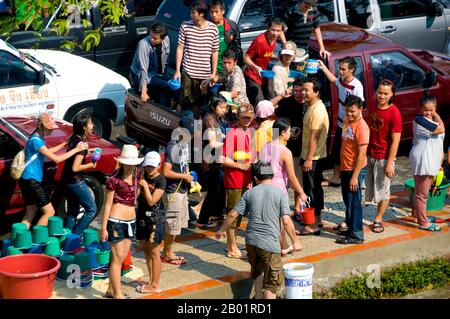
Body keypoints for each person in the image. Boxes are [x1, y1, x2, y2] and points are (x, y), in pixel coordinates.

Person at [215, 161, 301, 299]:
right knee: (271, 283)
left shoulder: (249, 193)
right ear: (271, 176)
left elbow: (232, 214)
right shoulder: (280, 194)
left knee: (257, 272)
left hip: (251, 242)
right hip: (269, 245)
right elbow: (286, 220)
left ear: (255, 178)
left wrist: (221, 230)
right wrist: (295, 241)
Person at [18, 113, 88, 228]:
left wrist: (65, 144)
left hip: (25, 179)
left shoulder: (35, 137)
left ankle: (19, 239)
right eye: (48, 128)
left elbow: (48, 152)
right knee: (49, 212)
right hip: (32, 180)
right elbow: (57, 159)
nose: (51, 131)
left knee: (31, 210)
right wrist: (76, 150)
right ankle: (37, 241)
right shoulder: (37, 141)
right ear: (40, 126)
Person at [101, 144, 143, 299]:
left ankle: (111, 290)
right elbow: (107, 204)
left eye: (133, 163)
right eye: (128, 163)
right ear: (122, 162)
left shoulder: (138, 173)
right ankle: (118, 294)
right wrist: (103, 228)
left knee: (120, 257)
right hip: (116, 221)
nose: (130, 166)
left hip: (131, 221)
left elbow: (137, 191)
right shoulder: (113, 180)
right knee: (117, 259)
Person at [260, 118, 308, 255]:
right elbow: (292, 177)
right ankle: (295, 242)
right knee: (285, 218)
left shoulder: (265, 147)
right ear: (282, 133)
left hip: (265, 186)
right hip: (279, 188)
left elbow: (261, 169)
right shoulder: (285, 151)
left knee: (275, 220)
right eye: (289, 130)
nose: (290, 133)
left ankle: (284, 246)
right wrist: (301, 192)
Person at [317, 57, 365, 188]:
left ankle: (357, 177)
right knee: (338, 149)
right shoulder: (342, 81)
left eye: (344, 69)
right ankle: (336, 177)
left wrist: (353, 125)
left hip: (351, 125)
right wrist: (323, 67)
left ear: (352, 69)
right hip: (341, 124)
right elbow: (333, 80)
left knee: (351, 151)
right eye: (340, 69)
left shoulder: (357, 86)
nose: (341, 72)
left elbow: (359, 107)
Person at [366, 79, 402, 234]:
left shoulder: (395, 113)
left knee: (383, 190)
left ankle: (378, 219)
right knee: (366, 188)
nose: (382, 96)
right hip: (369, 155)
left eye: (386, 93)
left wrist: (389, 163)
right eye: (380, 92)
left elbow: (396, 141)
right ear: (375, 92)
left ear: (392, 94)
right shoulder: (372, 106)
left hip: (384, 157)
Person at [221, 103, 255, 258]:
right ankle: (232, 248)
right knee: (233, 214)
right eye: (244, 117)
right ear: (238, 117)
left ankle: (234, 245)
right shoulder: (232, 134)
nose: (247, 120)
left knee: (241, 215)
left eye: (249, 117)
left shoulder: (251, 132)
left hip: (246, 180)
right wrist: (240, 167)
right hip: (235, 180)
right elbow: (222, 159)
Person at [174, 0, 219, 118]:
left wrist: (213, 73)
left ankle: (196, 133)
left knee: (199, 104)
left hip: (204, 74)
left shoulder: (213, 29)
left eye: (193, 13)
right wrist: (178, 70)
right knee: (182, 101)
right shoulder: (185, 26)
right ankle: (175, 128)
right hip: (187, 72)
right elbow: (180, 48)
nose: (190, 15)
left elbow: (215, 52)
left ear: (201, 14)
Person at [161, 115, 196, 265]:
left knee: (177, 225)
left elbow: (184, 166)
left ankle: (168, 250)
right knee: (172, 225)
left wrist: (191, 181)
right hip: (172, 191)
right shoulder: (173, 146)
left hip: (181, 190)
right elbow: (166, 171)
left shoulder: (183, 145)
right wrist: (185, 177)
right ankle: (167, 253)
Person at [336, 95, 369, 244]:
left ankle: (357, 234)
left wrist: (355, 176)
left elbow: (362, 154)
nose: (349, 114)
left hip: (355, 169)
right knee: (348, 200)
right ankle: (350, 229)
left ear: (360, 109)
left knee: (354, 202)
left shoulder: (362, 127)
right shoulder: (346, 121)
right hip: (345, 167)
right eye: (347, 110)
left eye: (353, 111)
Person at [409, 93, 444, 232]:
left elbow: (440, 139)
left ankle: (418, 215)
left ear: (435, 107)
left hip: (432, 161)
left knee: (422, 191)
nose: (428, 113)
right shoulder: (419, 120)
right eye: (426, 110)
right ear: (420, 109)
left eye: (431, 109)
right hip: (423, 161)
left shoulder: (432, 121)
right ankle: (423, 222)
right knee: (422, 194)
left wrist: (439, 162)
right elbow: (441, 129)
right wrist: (437, 115)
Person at [299, 78, 329, 235]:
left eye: (307, 90)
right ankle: (317, 219)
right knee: (316, 189)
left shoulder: (317, 110)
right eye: (303, 89)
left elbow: (314, 137)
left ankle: (311, 225)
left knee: (310, 191)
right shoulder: (313, 106)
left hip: (313, 157)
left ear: (316, 92)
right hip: (315, 155)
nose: (303, 92)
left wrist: (309, 159)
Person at [135, 151, 167, 294]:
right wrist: (140, 186)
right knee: (146, 250)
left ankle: (155, 285)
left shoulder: (161, 180)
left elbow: (152, 201)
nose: (149, 169)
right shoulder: (142, 177)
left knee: (154, 251)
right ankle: (151, 280)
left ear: (158, 166)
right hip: (141, 217)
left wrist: (146, 187)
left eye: (152, 166)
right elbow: (135, 197)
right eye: (147, 166)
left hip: (155, 218)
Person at [196, 94, 229, 228]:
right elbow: (212, 143)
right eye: (221, 107)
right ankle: (202, 220)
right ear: (214, 107)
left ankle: (216, 213)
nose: (224, 110)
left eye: (225, 107)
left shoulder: (214, 119)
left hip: (213, 161)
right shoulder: (209, 120)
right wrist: (229, 143)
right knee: (213, 191)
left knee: (219, 187)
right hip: (208, 163)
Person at [61, 113, 98, 235]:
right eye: (90, 123)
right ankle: (76, 236)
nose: (92, 125)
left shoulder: (74, 138)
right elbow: (75, 167)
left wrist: (88, 151)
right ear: (84, 127)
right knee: (91, 209)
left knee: (73, 211)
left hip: (66, 181)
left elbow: (74, 155)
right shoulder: (80, 144)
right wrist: (91, 165)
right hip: (75, 182)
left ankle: (66, 239)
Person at [273, 77, 307, 188]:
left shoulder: (308, 106)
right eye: (295, 91)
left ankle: (298, 205)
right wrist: (282, 95)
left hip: (300, 149)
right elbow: (268, 108)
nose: (297, 94)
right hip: (285, 147)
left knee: (298, 180)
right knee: (282, 180)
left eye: (300, 91)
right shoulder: (286, 103)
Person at [129, 22, 174, 107]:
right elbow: (143, 70)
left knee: (175, 86)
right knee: (166, 87)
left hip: (157, 73)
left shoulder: (166, 40)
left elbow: (166, 60)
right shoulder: (143, 45)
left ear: (162, 39)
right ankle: (163, 111)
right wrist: (143, 91)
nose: (152, 39)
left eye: (155, 38)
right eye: (151, 36)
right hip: (140, 75)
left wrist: (167, 76)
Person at [243, 17, 284, 106]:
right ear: (268, 28)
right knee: (260, 104)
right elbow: (245, 57)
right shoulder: (259, 41)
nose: (276, 33)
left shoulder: (275, 38)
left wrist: (275, 57)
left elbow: (265, 53)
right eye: (273, 30)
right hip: (253, 75)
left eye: (278, 31)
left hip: (264, 75)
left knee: (272, 100)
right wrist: (255, 67)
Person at [209, 0, 243, 72]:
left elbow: (237, 49)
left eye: (216, 11)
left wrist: (234, 65)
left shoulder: (232, 26)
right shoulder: (207, 27)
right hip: (212, 69)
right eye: (211, 12)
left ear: (223, 11)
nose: (214, 15)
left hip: (228, 68)